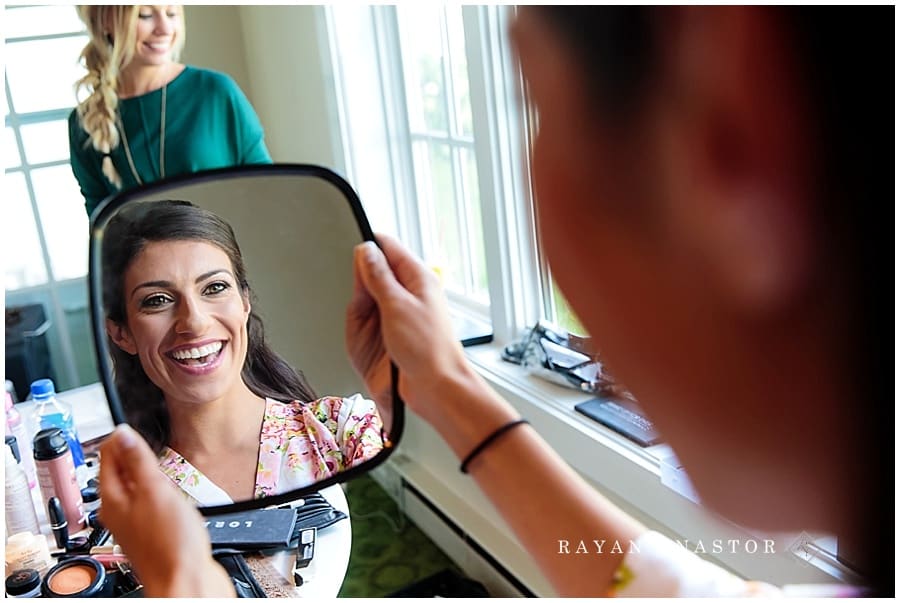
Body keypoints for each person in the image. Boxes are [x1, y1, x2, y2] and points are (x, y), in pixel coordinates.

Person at [98, 5, 893, 597]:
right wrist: (448, 388)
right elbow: (645, 583)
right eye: (158, 300)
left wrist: (186, 588)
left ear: (738, 135)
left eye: (534, 103)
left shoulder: (331, 429)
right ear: (122, 331)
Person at [102, 200, 387, 505]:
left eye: (214, 288)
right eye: (157, 300)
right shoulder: (129, 488)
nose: (195, 323)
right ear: (121, 332)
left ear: (244, 302)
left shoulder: (342, 430)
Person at [69, 5, 272, 217]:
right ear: (105, 22)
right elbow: (102, 225)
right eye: (145, 15)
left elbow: (268, 190)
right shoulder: (83, 123)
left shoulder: (216, 91)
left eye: (171, 13)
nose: (165, 28)